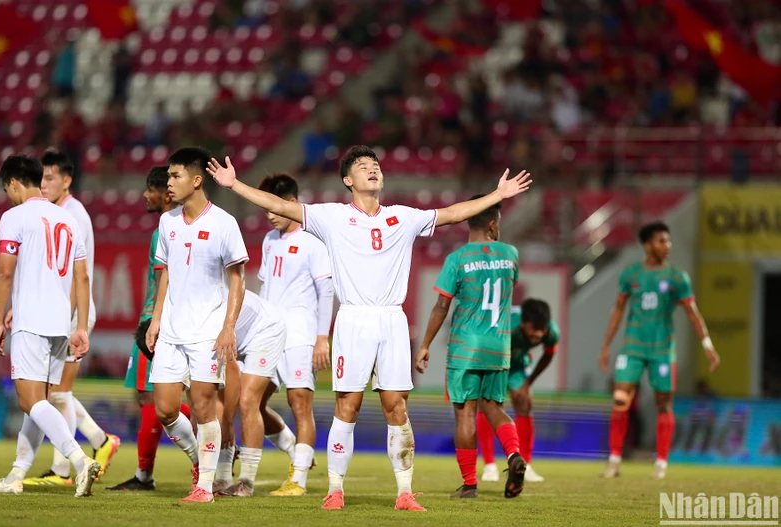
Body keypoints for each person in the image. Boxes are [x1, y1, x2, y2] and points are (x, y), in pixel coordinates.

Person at [207, 145, 532, 511]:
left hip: (392, 320)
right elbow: (281, 206)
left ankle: (405, 493)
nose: (372, 170)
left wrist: (497, 194)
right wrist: (235, 185)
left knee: (397, 408)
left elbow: (453, 214)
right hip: (354, 318)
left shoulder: (403, 217)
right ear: (348, 180)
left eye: (375, 165)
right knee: (348, 405)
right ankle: (335, 490)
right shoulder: (331, 217)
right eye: (363, 166)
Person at [0, 154, 101, 496]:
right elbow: (82, 277)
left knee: (29, 400)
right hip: (60, 323)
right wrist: (80, 325)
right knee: (39, 402)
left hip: (32, 321)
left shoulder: (13, 217)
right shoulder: (66, 218)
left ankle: (80, 461)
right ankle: (16, 474)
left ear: (12, 183)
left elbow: (5, 270)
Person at [145, 147, 248, 503]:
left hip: (207, 330)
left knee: (204, 405)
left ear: (196, 180)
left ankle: (204, 485)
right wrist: (156, 320)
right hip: (172, 329)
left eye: (175, 176)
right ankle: (200, 462)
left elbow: (238, 279)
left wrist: (228, 327)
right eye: (169, 177)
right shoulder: (167, 222)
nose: (168, 183)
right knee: (166, 409)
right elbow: (167, 274)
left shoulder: (223, 223)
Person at [415, 197, 525, 499]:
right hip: (499, 345)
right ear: (492, 224)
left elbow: (441, 305)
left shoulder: (458, 259)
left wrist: (424, 345)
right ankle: (514, 454)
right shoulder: (511, 254)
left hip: (466, 345)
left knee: (465, 414)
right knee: (495, 408)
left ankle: (469, 485)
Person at [22, 151, 119, 488]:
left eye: (50, 178)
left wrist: (75, 319)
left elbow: (78, 273)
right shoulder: (57, 213)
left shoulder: (72, 214)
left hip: (72, 311)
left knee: (57, 393)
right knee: (53, 392)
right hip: (61, 310)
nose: (43, 184)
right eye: (41, 178)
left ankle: (63, 470)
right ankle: (100, 441)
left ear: (67, 180)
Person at [598, 222, 720, 480]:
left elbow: (692, 313)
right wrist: (607, 345)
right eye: (661, 241)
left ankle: (661, 463)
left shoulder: (677, 277)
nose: (667, 246)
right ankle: (614, 460)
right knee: (620, 400)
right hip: (632, 346)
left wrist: (707, 344)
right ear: (647, 245)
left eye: (668, 240)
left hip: (663, 349)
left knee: (664, 403)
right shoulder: (630, 274)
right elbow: (617, 310)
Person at [106, 166, 190, 491]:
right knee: (152, 397)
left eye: (149, 189)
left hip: (156, 323)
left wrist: (153, 322)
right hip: (162, 320)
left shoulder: (166, 229)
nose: (145, 195)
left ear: (165, 193)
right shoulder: (174, 225)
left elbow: (163, 283)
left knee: (152, 397)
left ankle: (214, 439)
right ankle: (144, 475)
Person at [256, 173, 333, 496]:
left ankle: (298, 480)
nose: (270, 214)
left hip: (300, 334)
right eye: (265, 210)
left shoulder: (312, 241)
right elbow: (263, 287)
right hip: (268, 334)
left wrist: (322, 337)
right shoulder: (269, 241)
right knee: (251, 402)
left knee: (299, 404)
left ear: (291, 203)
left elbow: (326, 289)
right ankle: (295, 449)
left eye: (274, 207)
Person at [477, 298, 560, 484]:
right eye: (534, 328)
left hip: (517, 364)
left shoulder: (552, 333)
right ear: (523, 323)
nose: (538, 334)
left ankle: (526, 465)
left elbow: (548, 355)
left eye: (542, 329)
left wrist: (528, 383)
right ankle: (489, 465)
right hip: (494, 361)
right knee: (489, 405)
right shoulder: (506, 324)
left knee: (524, 400)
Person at [214, 290, 287, 497]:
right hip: (238, 335)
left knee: (247, 401)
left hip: (265, 330)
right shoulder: (184, 318)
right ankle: (222, 477)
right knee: (214, 400)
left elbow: (232, 374)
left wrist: (228, 423)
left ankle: (246, 481)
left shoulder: (208, 316)